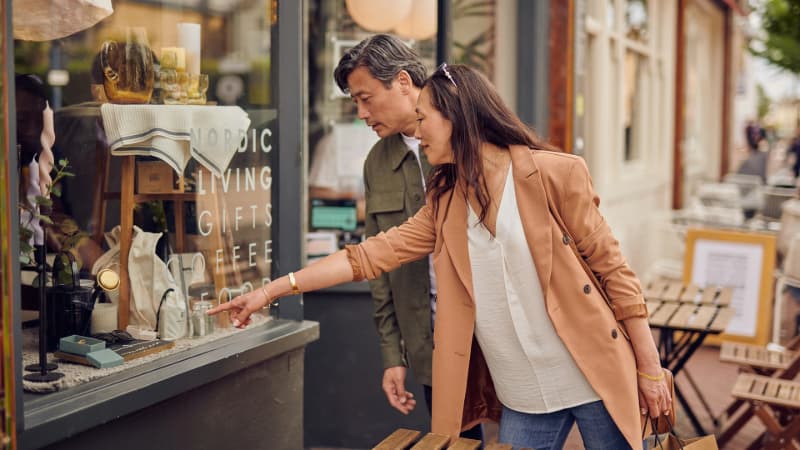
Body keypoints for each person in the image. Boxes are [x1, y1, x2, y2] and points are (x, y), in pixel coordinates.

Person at [209, 64, 671, 449]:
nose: (417, 128)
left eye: (424, 117)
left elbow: (615, 272)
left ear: (459, 117)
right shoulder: (446, 203)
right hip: (523, 393)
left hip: (591, 372)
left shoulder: (555, 174)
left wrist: (649, 370)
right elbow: (367, 257)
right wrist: (270, 291)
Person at [330, 33, 472, 435]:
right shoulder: (376, 162)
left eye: (366, 97)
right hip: (429, 347)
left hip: (489, 340)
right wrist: (394, 354)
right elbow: (378, 266)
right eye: (354, 102)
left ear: (405, 82)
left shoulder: (468, 141)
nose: (360, 112)